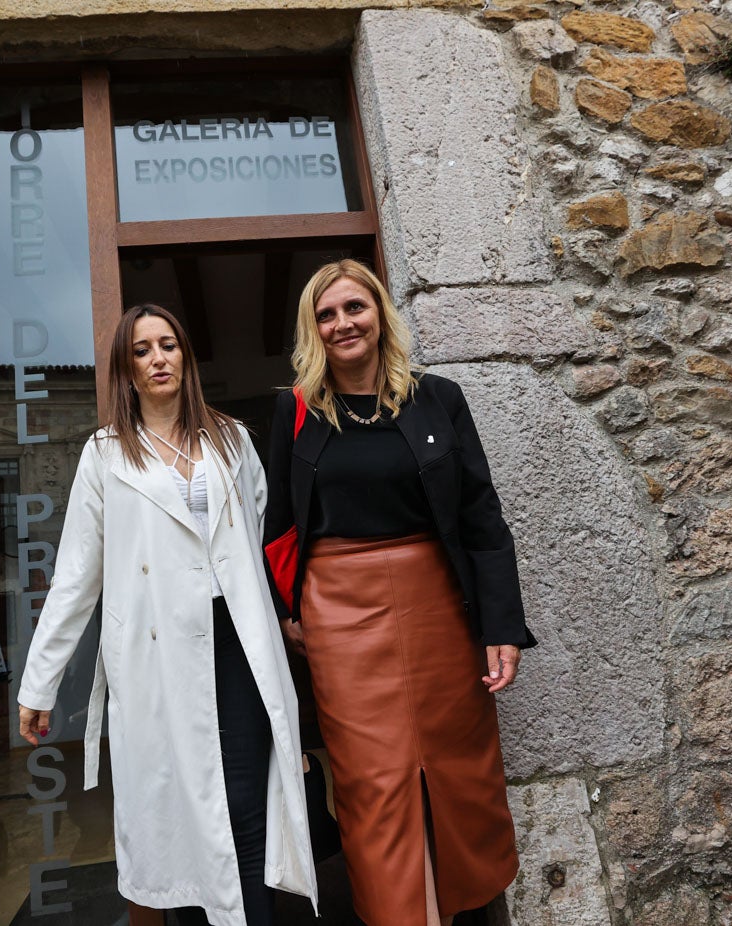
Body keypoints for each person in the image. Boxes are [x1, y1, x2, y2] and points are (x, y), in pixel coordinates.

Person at [17, 304, 318, 926]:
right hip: (158, 657)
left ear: (186, 357)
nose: (158, 359)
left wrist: (294, 616)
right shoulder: (105, 455)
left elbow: (267, 542)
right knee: (180, 813)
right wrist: (40, 681)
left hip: (237, 642)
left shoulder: (232, 439)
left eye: (169, 345)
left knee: (244, 803)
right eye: (142, 351)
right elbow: (76, 575)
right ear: (126, 370)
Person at [263, 260, 536, 926]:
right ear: (312, 330)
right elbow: (277, 525)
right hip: (341, 617)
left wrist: (499, 626)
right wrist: (289, 606)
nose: (341, 323)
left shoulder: (437, 398)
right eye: (325, 315)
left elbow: (481, 516)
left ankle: (475, 909)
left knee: (459, 772)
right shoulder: (293, 410)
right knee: (372, 781)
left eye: (354, 307)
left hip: (437, 609)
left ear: (379, 313)